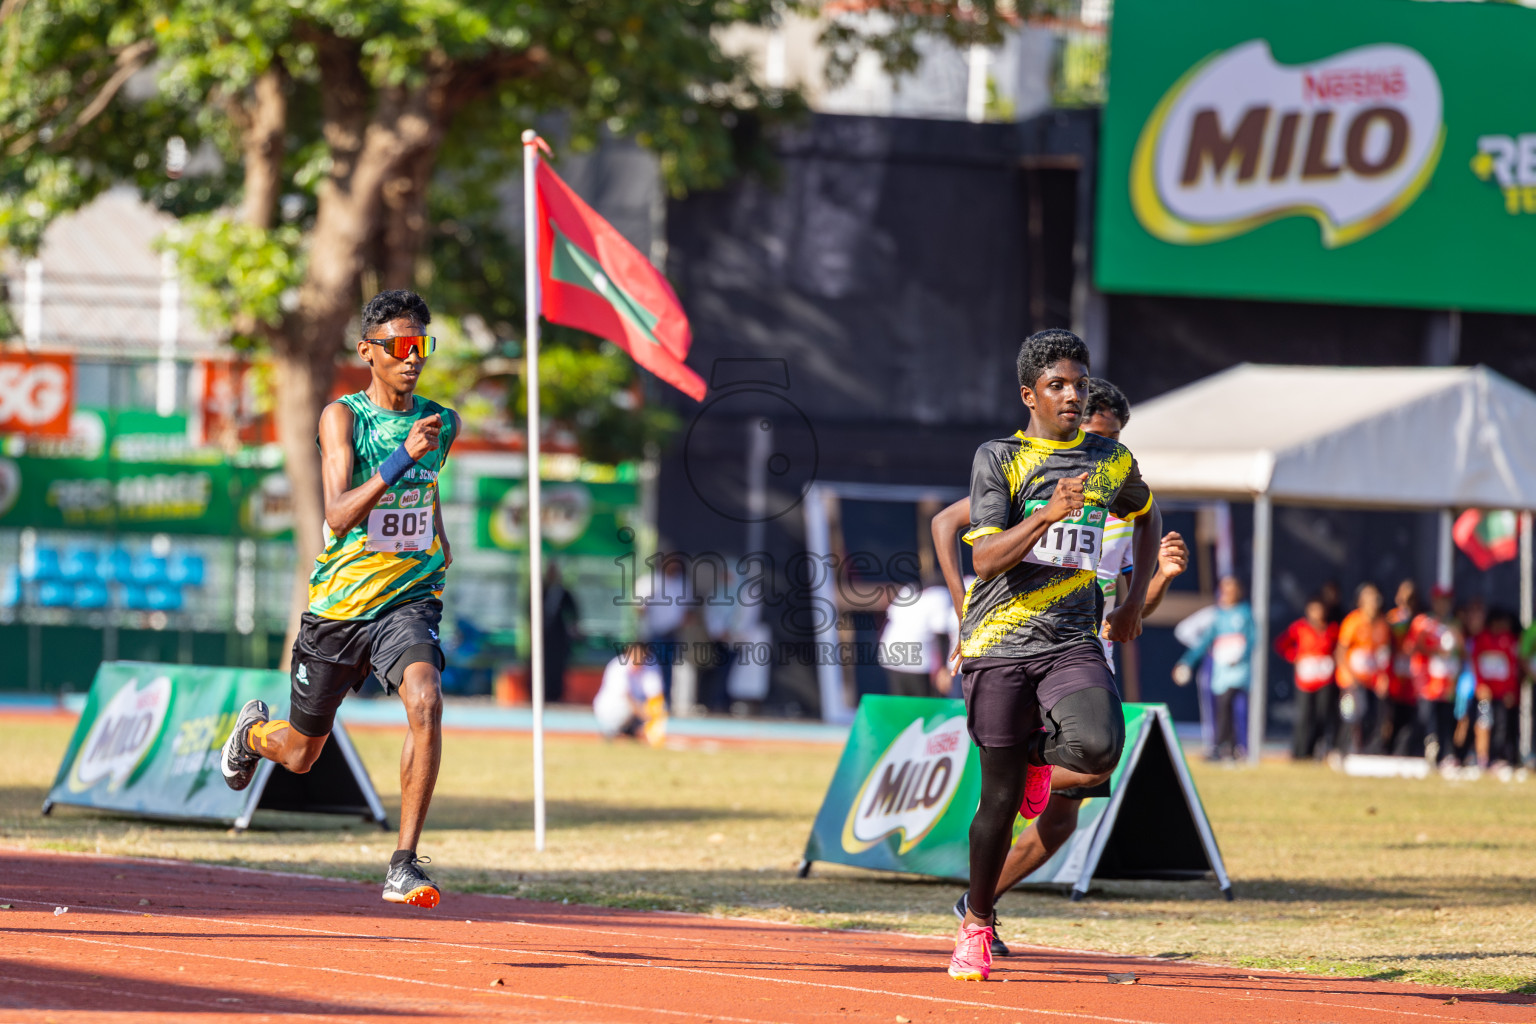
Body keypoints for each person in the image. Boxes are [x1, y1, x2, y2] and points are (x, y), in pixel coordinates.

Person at [930, 376, 1188, 957]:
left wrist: (1156, 584)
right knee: (1008, 797)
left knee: (1075, 796)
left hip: (1076, 651)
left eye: (1109, 437)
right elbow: (951, 527)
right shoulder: (1027, 469)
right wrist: (962, 610)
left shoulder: (1113, 498)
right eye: (1092, 431)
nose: (1095, 448)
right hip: (1011, 641)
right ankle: (978, 914)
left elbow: (1131, 610)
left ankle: (981, 890)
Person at [220, 289, 459, 909]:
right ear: (367, 352)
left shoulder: (442, 421)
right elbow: (339, 512)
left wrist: (437, 533)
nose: (413, 359)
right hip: (338, 609)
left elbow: (427, 487)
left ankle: (404, 863)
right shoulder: (342, 418)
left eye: (421, 347)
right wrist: (401, 461)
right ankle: (251, 737)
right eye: (401, 347)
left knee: (426, 700)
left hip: (408, 599)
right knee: (299, 756)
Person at [1175, 576, 1254, 762]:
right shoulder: (1218, 616)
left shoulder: (1245, 613)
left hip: (1238, 671)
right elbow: (1203, 643)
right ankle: (1227, 747)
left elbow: (1252, 639)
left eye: (1231, 588)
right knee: (1222, 708)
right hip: (1221, 673)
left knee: (1232, 706)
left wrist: (1240, 656)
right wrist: (1186, 662)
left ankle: (1229, 747)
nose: (1227, 593)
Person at [1276, 597, 1339, 760]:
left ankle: (1317, 749)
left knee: (1322, 713)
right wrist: (1295, 657)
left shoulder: (1331, 629)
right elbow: (1281, 644)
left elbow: (1338, 649)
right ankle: (1299, 751)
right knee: (1304, 716)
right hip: (1305, 680)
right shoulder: (1299, 628)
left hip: (1325, 679)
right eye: (1314, 610)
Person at [1405, 584, 1462, 766]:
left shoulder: (1454, 625)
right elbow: (1411, 646)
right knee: (1426, 719)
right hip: (1427, 683)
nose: (1443, 605)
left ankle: (1445, 754)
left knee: (1446, 719)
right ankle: (1423, 753)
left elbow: (1461, 651)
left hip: (1447, 683)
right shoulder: (1423, 622)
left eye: (1446, 602)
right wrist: (1433, 649)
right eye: (1440, 601)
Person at [1335, 583, 1391, 756]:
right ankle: (1343, 751)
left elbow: (1383, 654)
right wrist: (1349, 674)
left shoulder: (1381, 624)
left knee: (1372, 716)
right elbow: (1341, 651)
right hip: (1351, 680)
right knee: (1349, 716)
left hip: (1371, 681)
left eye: (1375, 598)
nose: (1374, 602)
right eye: (1369, 598)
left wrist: (1383, 677)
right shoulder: (1353, 622)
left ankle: (1367, 751)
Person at [878, 580, 954, 697]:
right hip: (917, 660)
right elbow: (941, 633)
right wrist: (944, 669)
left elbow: (890, 618)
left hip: (890, 654)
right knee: (921, 707)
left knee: (902, 704)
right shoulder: (940, 594)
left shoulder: (909, 589)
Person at [1470, 609, 1519, 770]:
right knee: (1484, 723)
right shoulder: (1482, 639)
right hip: (1485, 696)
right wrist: (1480, 685)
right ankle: (1482, 758)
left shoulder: (1508, 640)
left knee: (1501, 725)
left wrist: (1510, 690)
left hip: (1502, 694)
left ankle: (1498, 757)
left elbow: (1511, 668)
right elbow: (1475, 664)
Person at [594, 642, 667, 744]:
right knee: (626, 706)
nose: (638, 658)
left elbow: (655, 694)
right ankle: (612, 732)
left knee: (658, 706)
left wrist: (655, 715)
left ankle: (635, 733)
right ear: (628, 653)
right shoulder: (618, 666)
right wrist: (644, 715)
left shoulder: (650, 665)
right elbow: (626, 697)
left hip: (637, 708)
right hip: (612, 709)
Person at [1383, 579, 1421, 756]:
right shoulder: (1392, 619)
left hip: (1413, 679)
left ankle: (1404, 750)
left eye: (1411, 596)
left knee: (1410, 718)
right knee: (1390, 717)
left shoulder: (1421, 620)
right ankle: (1384, 749)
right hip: (1394, 677)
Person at [541, 563, 581, 704]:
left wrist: (574, 628)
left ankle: (555, 694)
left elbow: (573, 612)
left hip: (558, 636)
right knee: (541, 664)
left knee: (557, 665)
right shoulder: (540, 590)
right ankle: (540, 693)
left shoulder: (563, 592)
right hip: (542, 635)